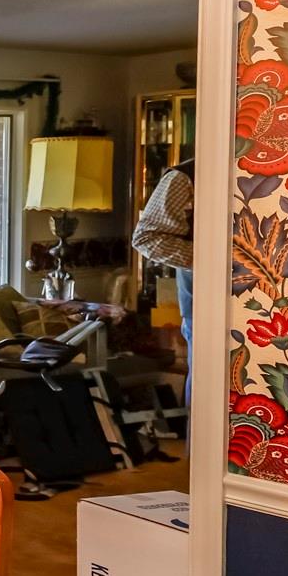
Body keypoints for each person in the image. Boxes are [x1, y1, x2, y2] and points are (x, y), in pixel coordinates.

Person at [132, 156, 194, 405]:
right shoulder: (184, 176)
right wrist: (218, 261)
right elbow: (146, 238)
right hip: (203, 300)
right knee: (207, 384)